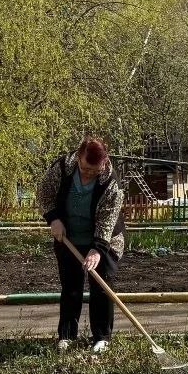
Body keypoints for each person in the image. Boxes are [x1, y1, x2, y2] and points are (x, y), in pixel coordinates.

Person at [36, 137, 126, 353]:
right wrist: (53, 218)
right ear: (78, 157)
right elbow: (43, 193)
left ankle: (102, 338)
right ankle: (67, 336)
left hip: (104, 240)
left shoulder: (110, 182)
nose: (88, 174)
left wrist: (97, 249)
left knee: (101, 287)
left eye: (94, 171)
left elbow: (107, 221)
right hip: (68, 237)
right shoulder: (62, 168)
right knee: (71, 287)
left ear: (103, 163)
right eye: (85, 168)